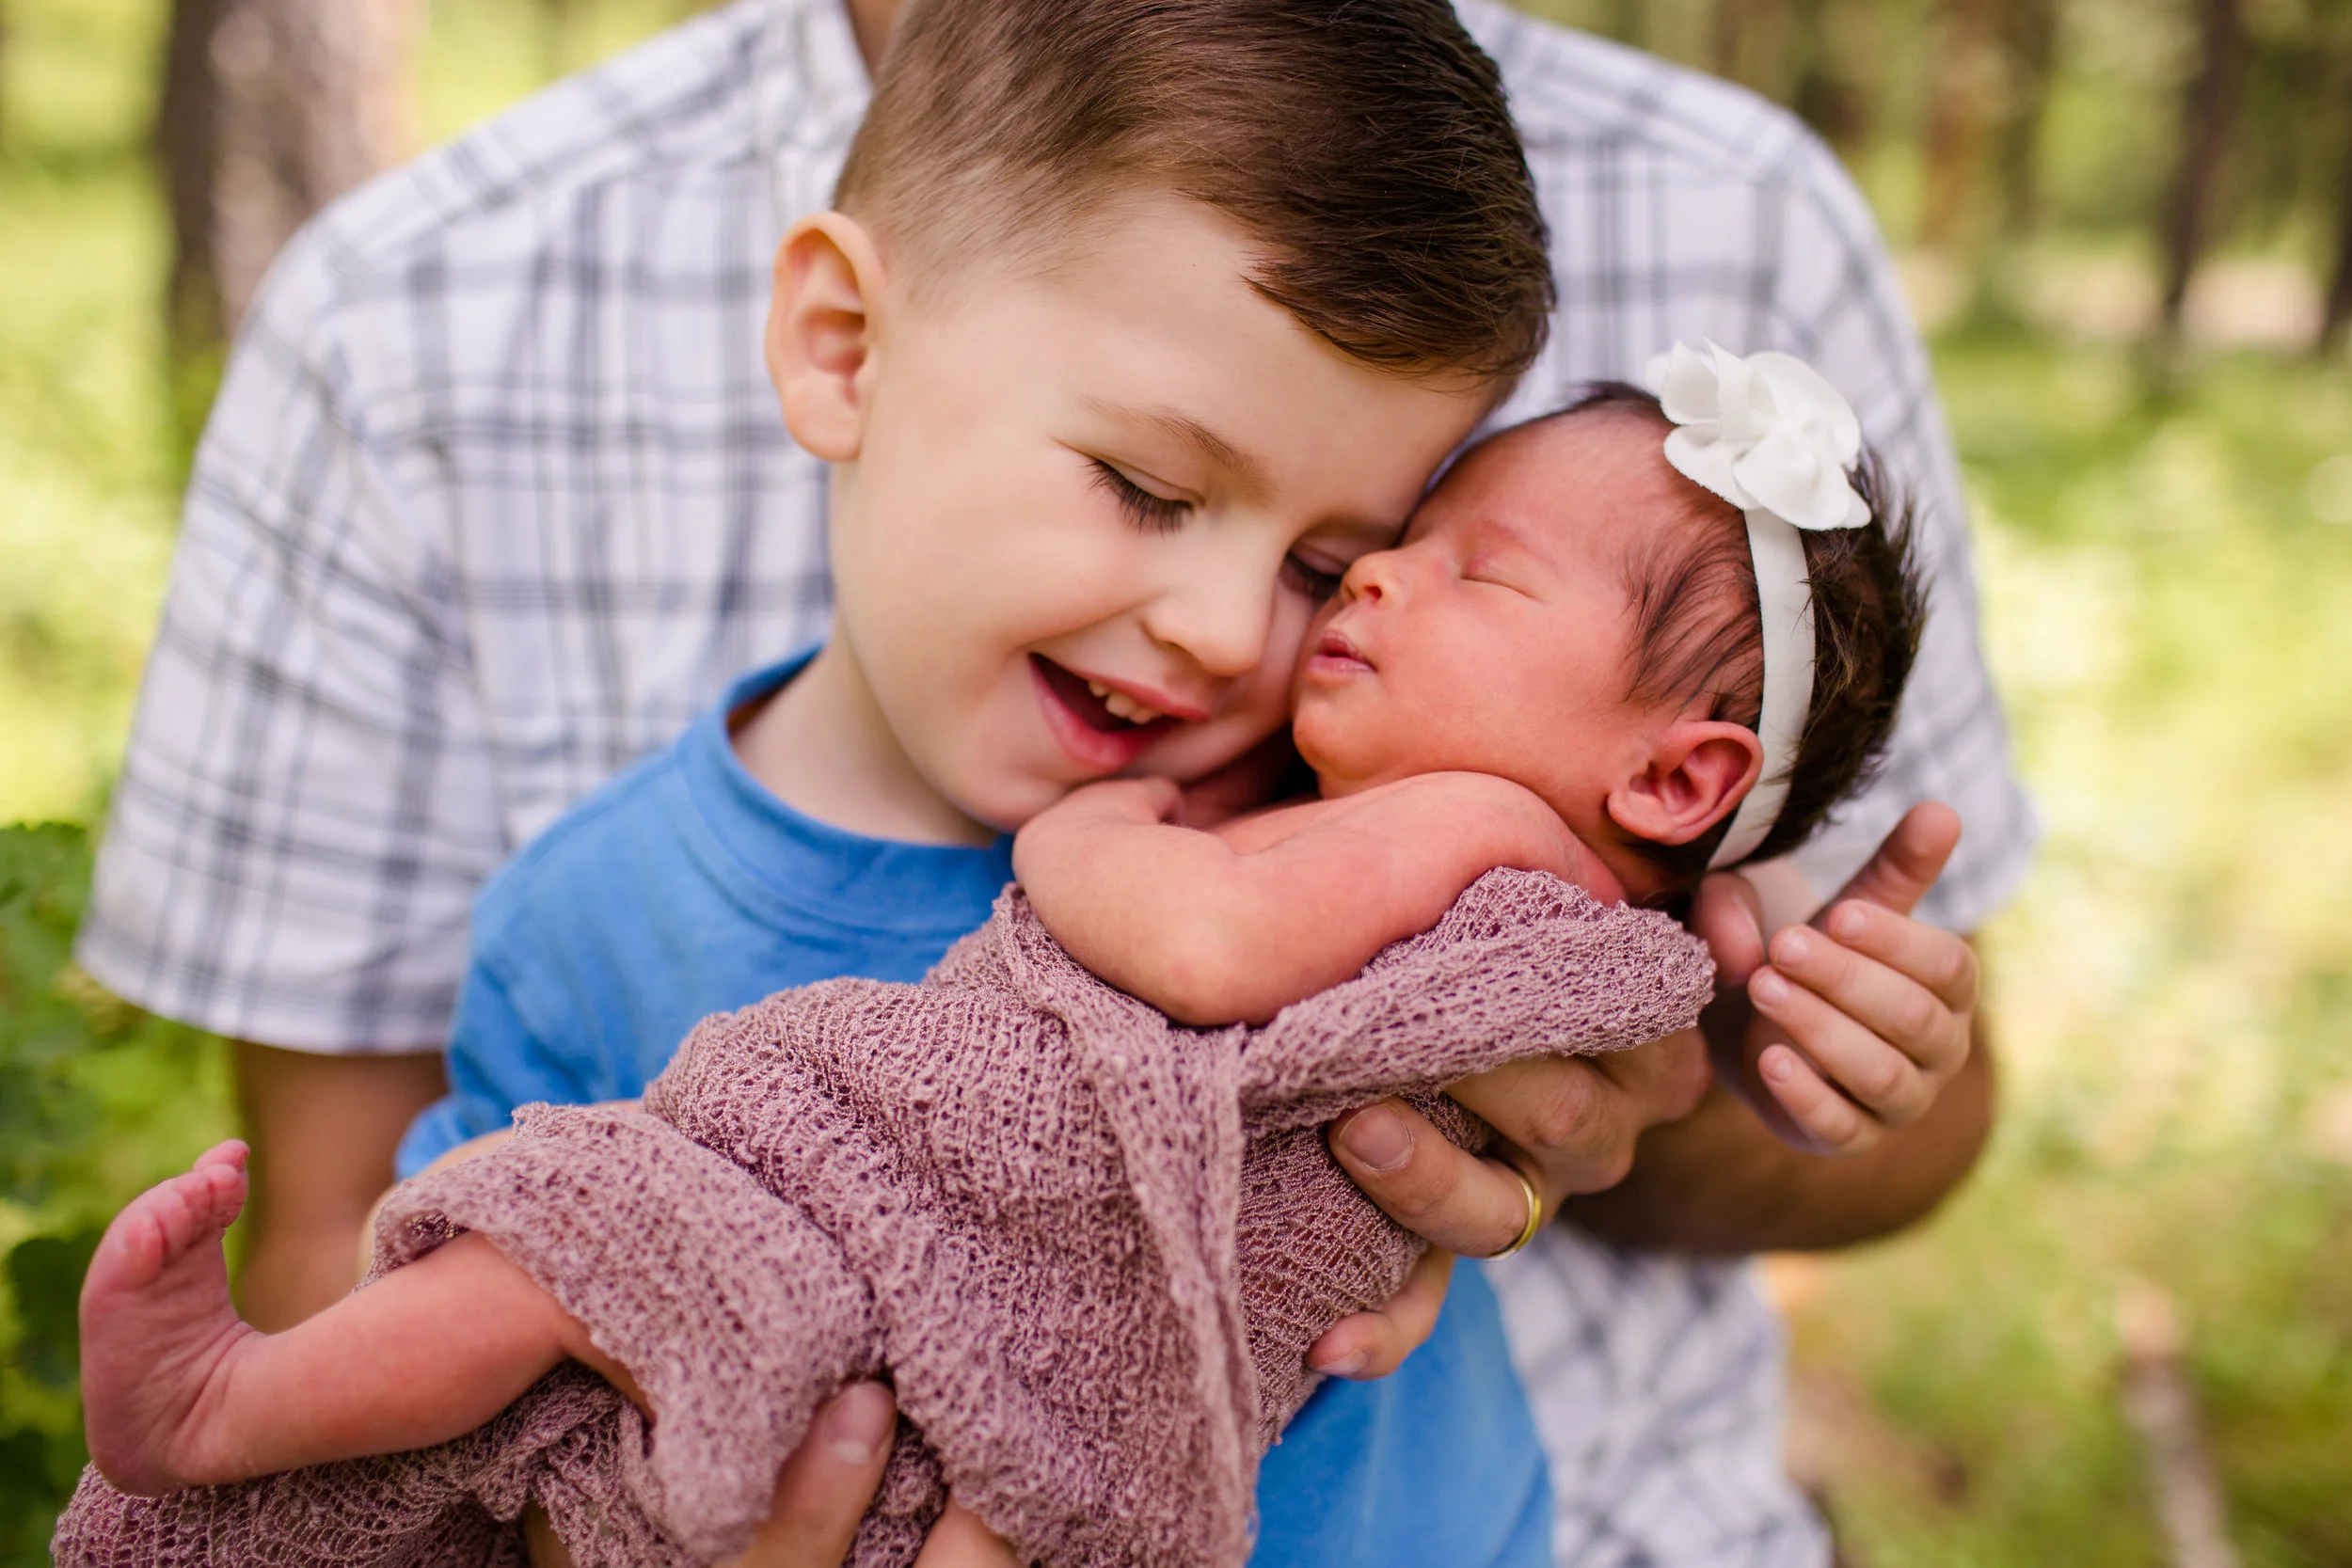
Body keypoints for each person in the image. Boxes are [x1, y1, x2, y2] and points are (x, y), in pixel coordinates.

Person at [76, 0, 2031, 1561]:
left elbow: (1764, 1072)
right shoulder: (590, 894)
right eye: (1147, 489)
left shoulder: (1325, 827)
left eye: (1327, 567)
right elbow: (435, 1273)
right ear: (838, 342)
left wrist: (1754, 1051)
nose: (1213, 629)